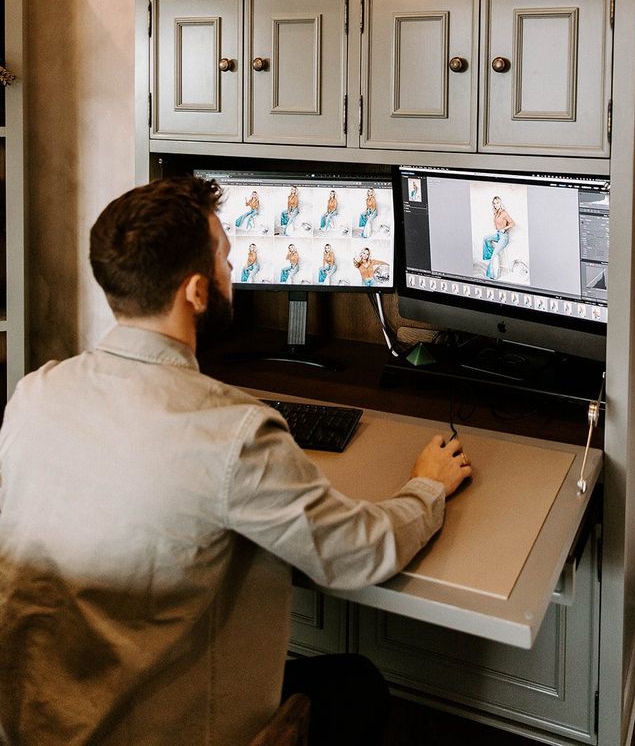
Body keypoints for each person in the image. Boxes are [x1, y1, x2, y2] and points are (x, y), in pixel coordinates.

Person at [0, 176, 472, 746]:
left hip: (36, 723)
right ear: (197, 291)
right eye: (226, 256)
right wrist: (426, 486)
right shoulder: (233, 430)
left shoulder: (36, 392)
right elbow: (356, 554)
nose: (234, 269)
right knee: (357, 684)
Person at [483, 195, 515, 280]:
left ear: (500, 203)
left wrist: (504, 229)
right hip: (498, 234)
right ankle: (490, 255)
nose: (496, 205)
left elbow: (512, 223)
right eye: (494, 203)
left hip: (503, 237)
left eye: (497, 203)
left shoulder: (504, 212)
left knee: (494, 256)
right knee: (486, 238)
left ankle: (493, 276)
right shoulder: (496, 212)